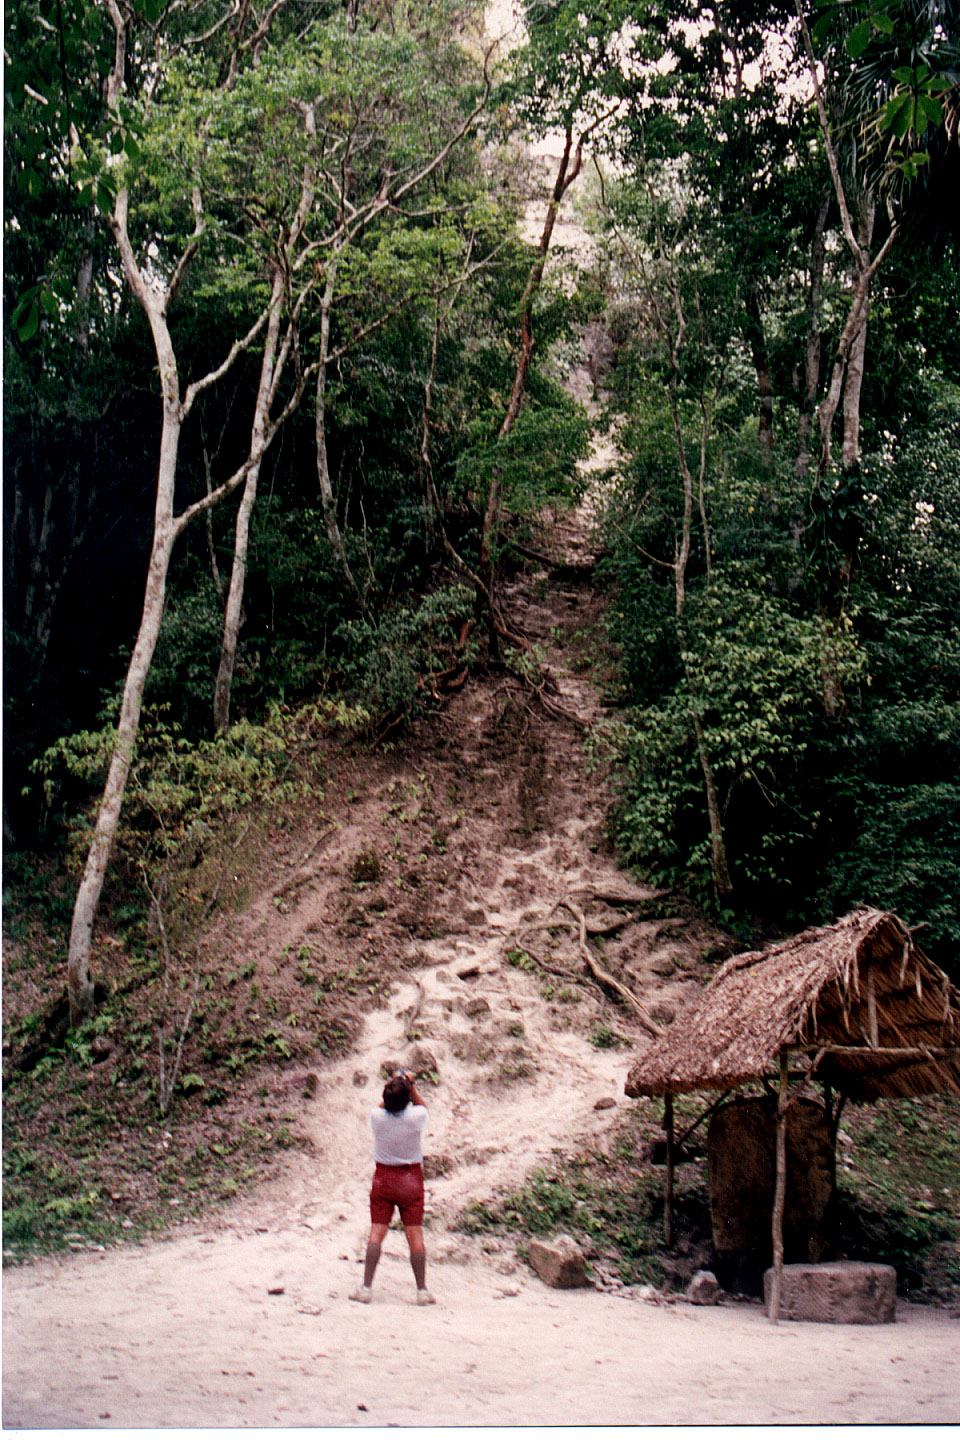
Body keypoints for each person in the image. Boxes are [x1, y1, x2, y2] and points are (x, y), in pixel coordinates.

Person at [350, 1067, 435, 1305]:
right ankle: (422, 1291)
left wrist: (396, 1086)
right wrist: (409, 1086)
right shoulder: (415, 1117)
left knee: (377, 1231)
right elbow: (422, 1107)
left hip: (384, 1178)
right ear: (407, 1099)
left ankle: (366, 1288)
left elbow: (382, 1106)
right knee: (414, 1233)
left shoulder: (377, 1118)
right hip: (411, 1178)